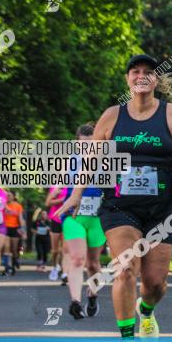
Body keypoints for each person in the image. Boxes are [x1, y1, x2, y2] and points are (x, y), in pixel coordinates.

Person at [62, 54, 172, 342]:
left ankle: (146, 311)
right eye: (136, 71)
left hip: (163, 208)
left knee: (155, 283)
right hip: (119, 205)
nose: (142, 76)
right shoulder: (111, 116)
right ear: (128, 79)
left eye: (149, 72)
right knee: (124, 270)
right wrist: (76, 194)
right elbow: (92, 161)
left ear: (156, 80)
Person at [52, 123, 107, 320]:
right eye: (83, 145)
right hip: (73, 217)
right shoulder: (69, 162)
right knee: (77, 259)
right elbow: (60, 184)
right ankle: (75, 302)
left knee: (93, 264)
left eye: (91, 144)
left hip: (97, 218)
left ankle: (92, 296)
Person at [45, 185, 67, 282]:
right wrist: (61, 199)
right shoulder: (55, 187)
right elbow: (48, 203)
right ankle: (55, 267)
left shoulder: (73, 186)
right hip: (55, 219)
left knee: (65, 249)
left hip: (68, 219)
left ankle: (64, 271)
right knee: (55, 250)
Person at [3, 190, 25, 276]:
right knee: (6, 247)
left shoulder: (18, 206)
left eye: (10, 195)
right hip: (4, 228)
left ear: (13, 197)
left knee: (14, 249)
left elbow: (20, 218)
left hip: (15, 228)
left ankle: (14, 263)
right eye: (7, 195)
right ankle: (7, 268)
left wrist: (22, 229)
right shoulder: (3, 205)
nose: (8, 197)